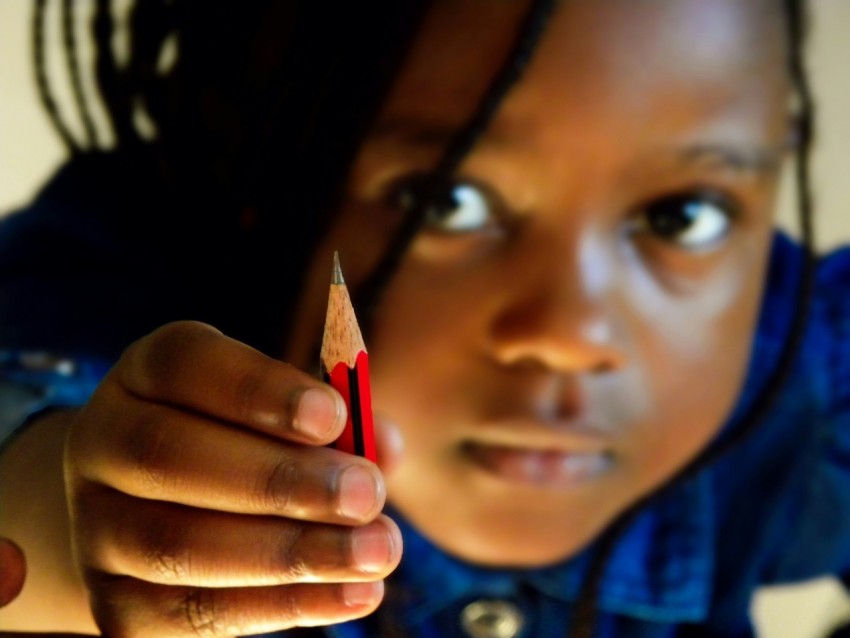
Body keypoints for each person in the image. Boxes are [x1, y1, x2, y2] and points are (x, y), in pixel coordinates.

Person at [1, 0, 849, 636]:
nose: (569, 332)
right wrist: (78, 532)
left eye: (681, 217)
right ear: (252, 173)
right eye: (446, 200)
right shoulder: (104, 293)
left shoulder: (804, 378)